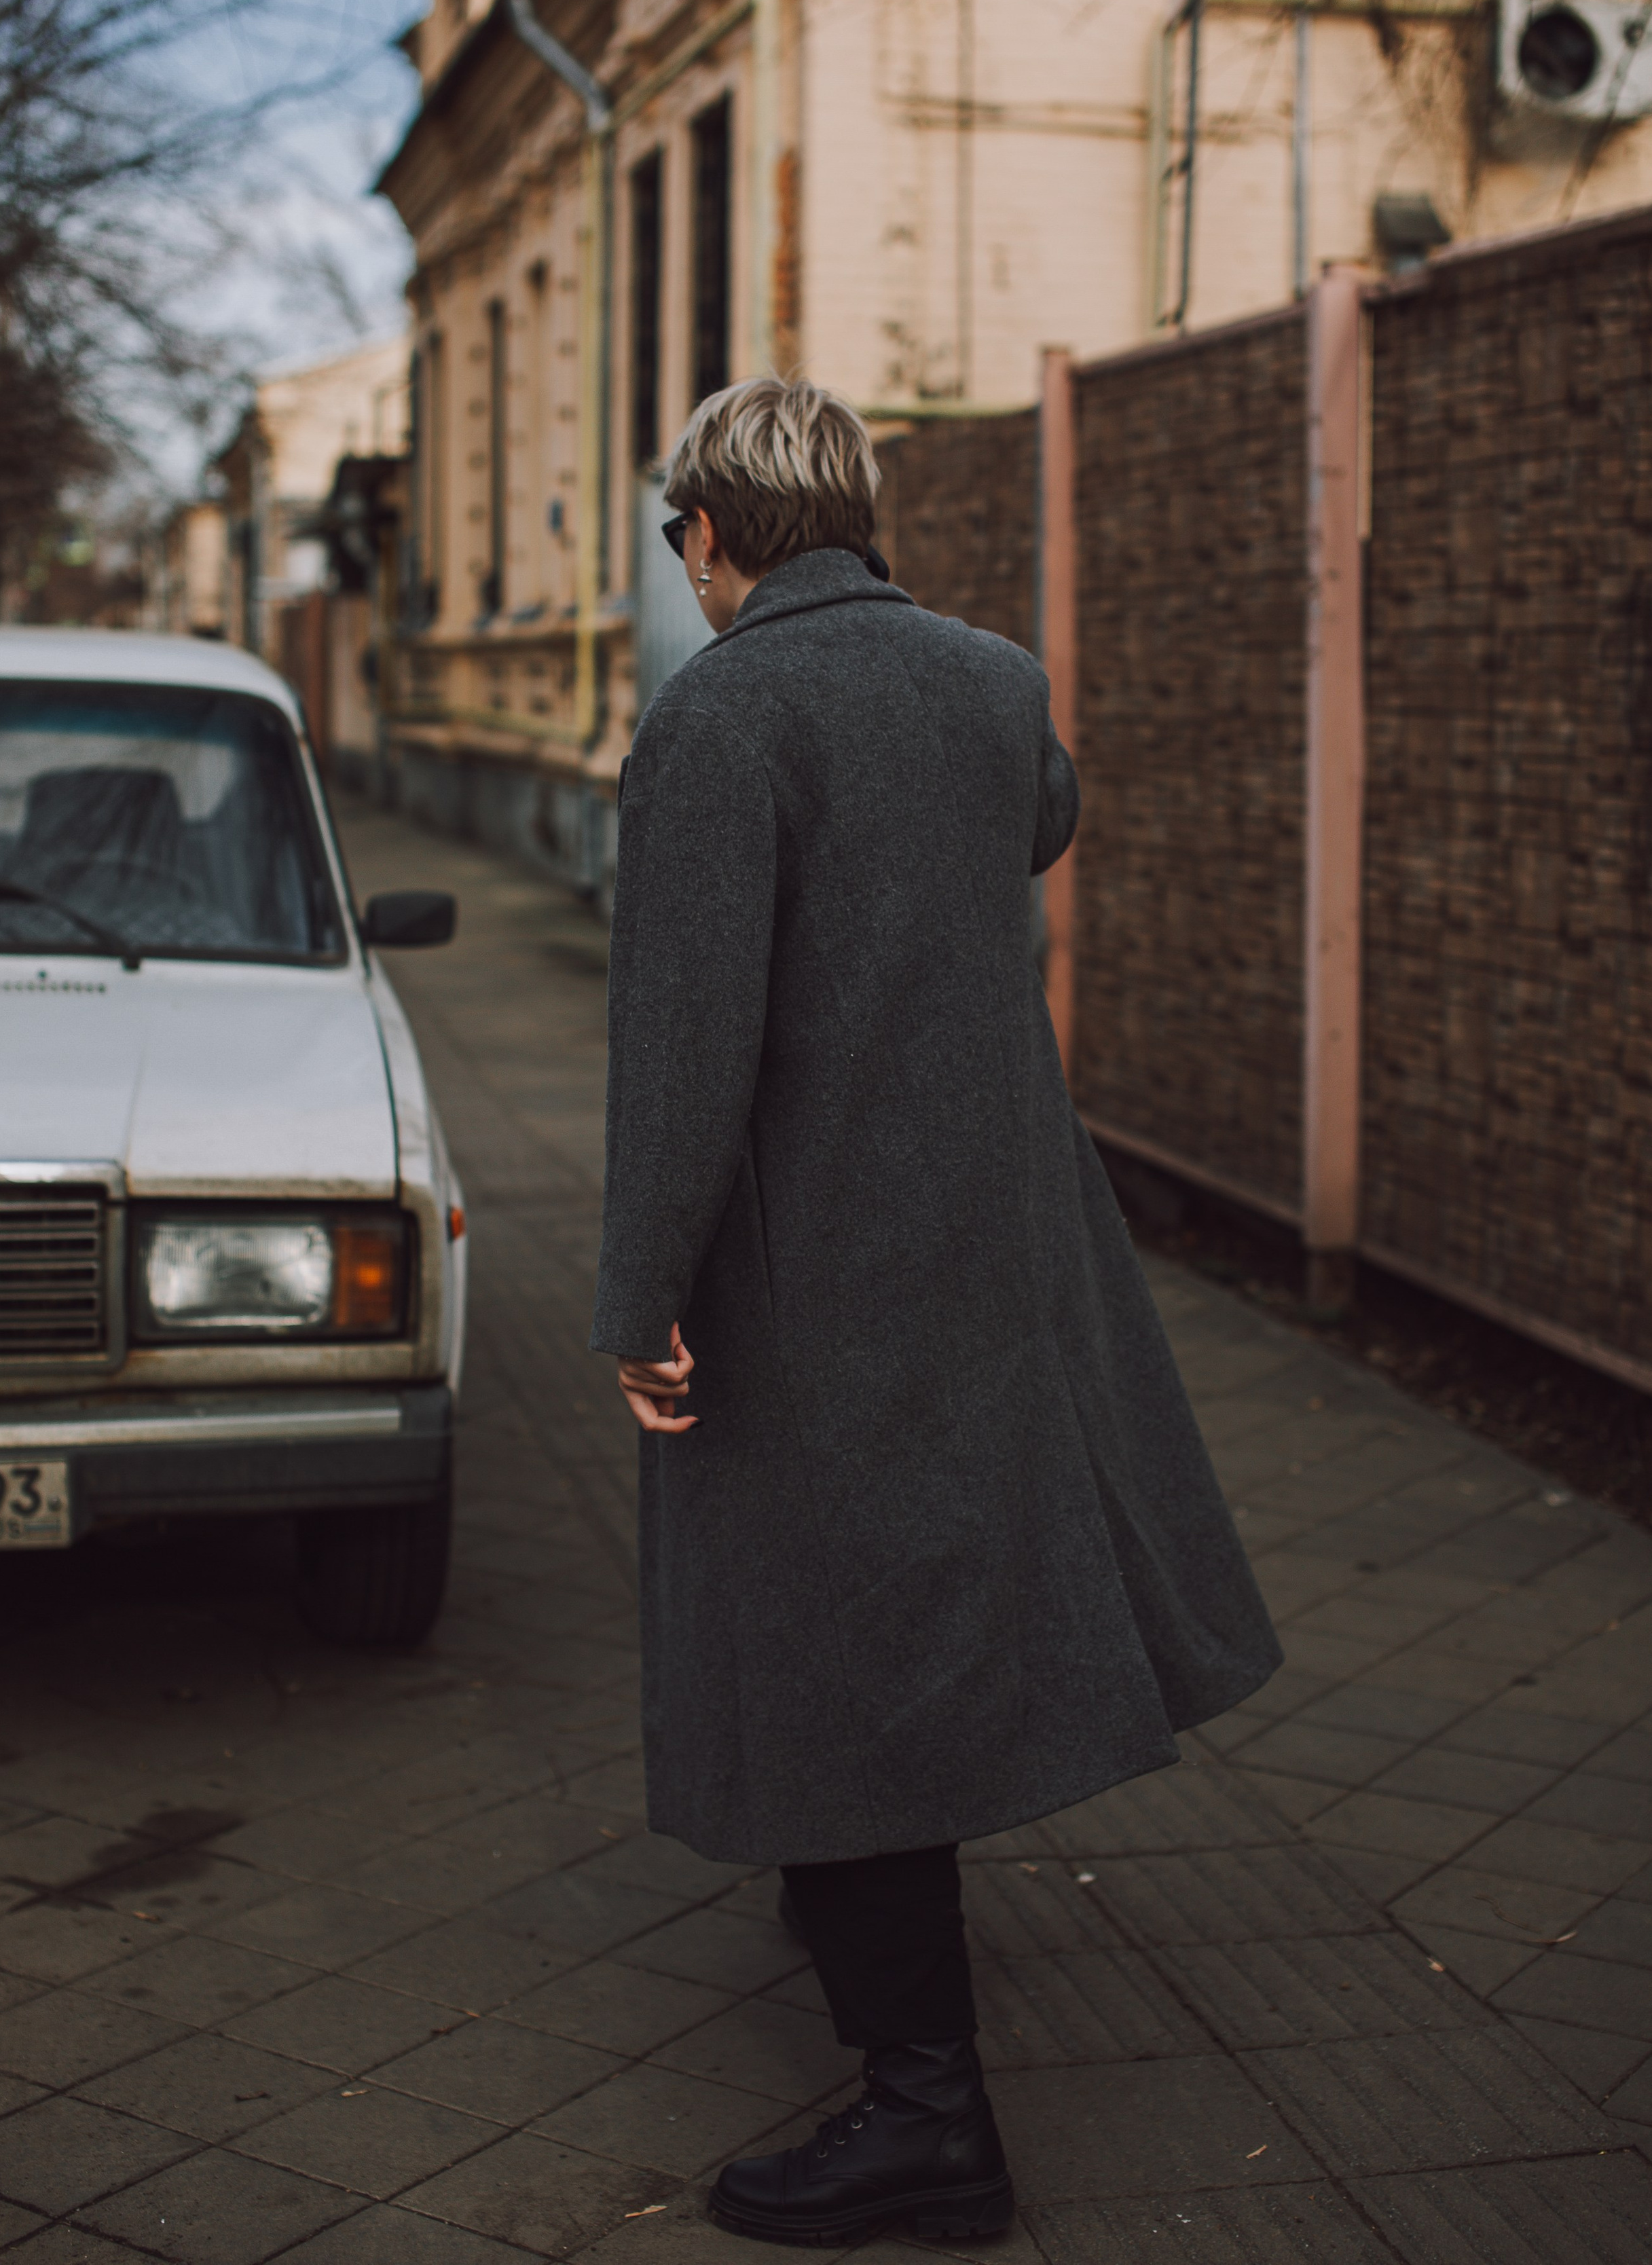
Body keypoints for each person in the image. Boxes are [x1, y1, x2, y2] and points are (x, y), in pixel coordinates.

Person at [592, 377, 1281, 2245]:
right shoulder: (992, 684)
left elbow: (682, 1054)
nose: (685, 569)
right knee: (917, 1601)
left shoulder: (718, 719)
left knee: (838, 1639)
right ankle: (848, 1904)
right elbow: (1033, 827)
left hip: (809, 1266)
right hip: (996, 1244)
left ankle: (929, 2121)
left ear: (712, 536)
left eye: (682, 539)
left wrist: (639, 1296)